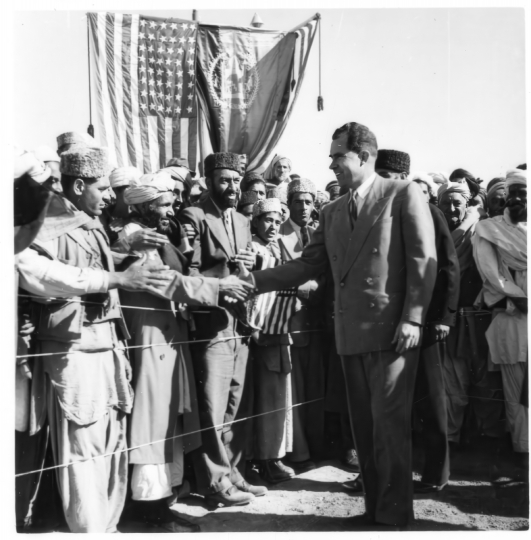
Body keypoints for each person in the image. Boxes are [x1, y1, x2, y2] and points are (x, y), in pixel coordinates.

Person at [249, 122, 437, 529]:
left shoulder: (402, 194)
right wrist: (251, 283)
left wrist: (414, 318)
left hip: (393, 333)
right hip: (350, 335)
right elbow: (304, 265)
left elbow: (425, 261)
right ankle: (376, 511)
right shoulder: (332, 211)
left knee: (390, 430)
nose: (331, 163)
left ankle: (393, 516)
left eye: (338, 155)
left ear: (364, 156)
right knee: (365, 430)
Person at [15, 145, 178, 533]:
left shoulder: (88, 224)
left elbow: (83, 264)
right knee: (84, 452)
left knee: (110, 446)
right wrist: (116, 277)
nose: (109, 196)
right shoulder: (44, 224)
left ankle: (104, 526)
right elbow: (39, 275)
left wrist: (120, 251)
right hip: (75, 352)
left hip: (105, 347)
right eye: (102, 188)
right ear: (77, 185)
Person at [118, 173, 244, 532]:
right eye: (164, 204)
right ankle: (150, 508)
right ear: (142, 206)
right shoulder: (132, 237)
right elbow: (165, 282)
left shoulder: (154, 234)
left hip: (165, 337)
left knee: (165, 418)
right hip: (150, 337)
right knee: (151, 420)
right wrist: (219, 287)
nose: (171, 210)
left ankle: (160, 501)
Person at [180, 152, 267, 506]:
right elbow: (188, 274)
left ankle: (232, 470)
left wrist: (251, 262)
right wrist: (225, 278)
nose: (233, 188)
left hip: (239, 323)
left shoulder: (244, 221)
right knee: (213, 407)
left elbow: (246, 268)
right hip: (212, 322)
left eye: (237, 181)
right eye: (225, 181)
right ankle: (215, 480)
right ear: (210, 179)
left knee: (235, 403)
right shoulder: (194, 215)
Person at [438, 182, 504, 446]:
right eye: (447, 202)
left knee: (486, 383)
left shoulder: (482, 232)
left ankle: (489, 439)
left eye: (458, 203)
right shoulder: (434, 233)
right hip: (450, 322)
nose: (452, 208)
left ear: (468, 205)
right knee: (452, 384)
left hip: (481, 320)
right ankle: (451, 439)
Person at [473, 169, 528, 456]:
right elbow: (490, 274)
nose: (517, 199)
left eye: (523, 193)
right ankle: (523, 452)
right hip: (512, 319)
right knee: (516, 393)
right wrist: (519, 298)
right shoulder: (489, 229)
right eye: (513, 193)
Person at [412, 181, 460, 494]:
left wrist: (444, 317)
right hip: (394, 324)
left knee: (431, 400)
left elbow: (448, 266)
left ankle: (435, 474)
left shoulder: (430, 213)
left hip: (427, 324)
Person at [245, 198, 297, 484]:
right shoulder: (252, 247)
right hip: (259, 330)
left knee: (275, 396)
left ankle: (271, 457)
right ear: (255, 220)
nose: (273, 225)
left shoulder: (278, 246)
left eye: (278, 221)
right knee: (264, 396)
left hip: (278, 328)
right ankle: (263, 459)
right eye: (267, 219)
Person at [279, 178, 326, 470]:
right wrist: (300, 287)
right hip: (292, 320)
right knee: (294, 390)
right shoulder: (279, 234)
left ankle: (318, 448)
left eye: (309, 202)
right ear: (289, 204)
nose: (304, 207)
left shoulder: (321, 233)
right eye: (298, 201)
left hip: (320, 321)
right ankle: (299, 454)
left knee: (316, 387)